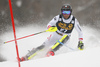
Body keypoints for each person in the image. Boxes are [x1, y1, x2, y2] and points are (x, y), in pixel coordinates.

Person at [19, 4, 84, 61]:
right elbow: (49, 24)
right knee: (43, 46)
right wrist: (51, 27)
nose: (66, 14)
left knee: (62, 40)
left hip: (65, 36)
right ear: (62, 12)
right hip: (55, 35)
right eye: (64, 12)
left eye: (68, 12)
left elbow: (80, 32)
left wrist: (80, 42)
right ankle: (27, 56)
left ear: (70, 12)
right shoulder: (58, 17)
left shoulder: (73, 20)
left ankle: (51, 52)